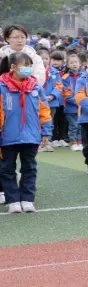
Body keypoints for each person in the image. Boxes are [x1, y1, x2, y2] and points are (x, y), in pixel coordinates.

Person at [0, 52, 52, 213]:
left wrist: (46, 131)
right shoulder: (2, 86)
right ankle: (13, 200)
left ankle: (27, 199)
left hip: (31, 136)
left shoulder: (35, 86)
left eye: (30, 66)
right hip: (7, 136)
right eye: (25, 66)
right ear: (13, 67)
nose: (28, 69)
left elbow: (44, 109)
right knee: (7, 169)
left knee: (29, 168)